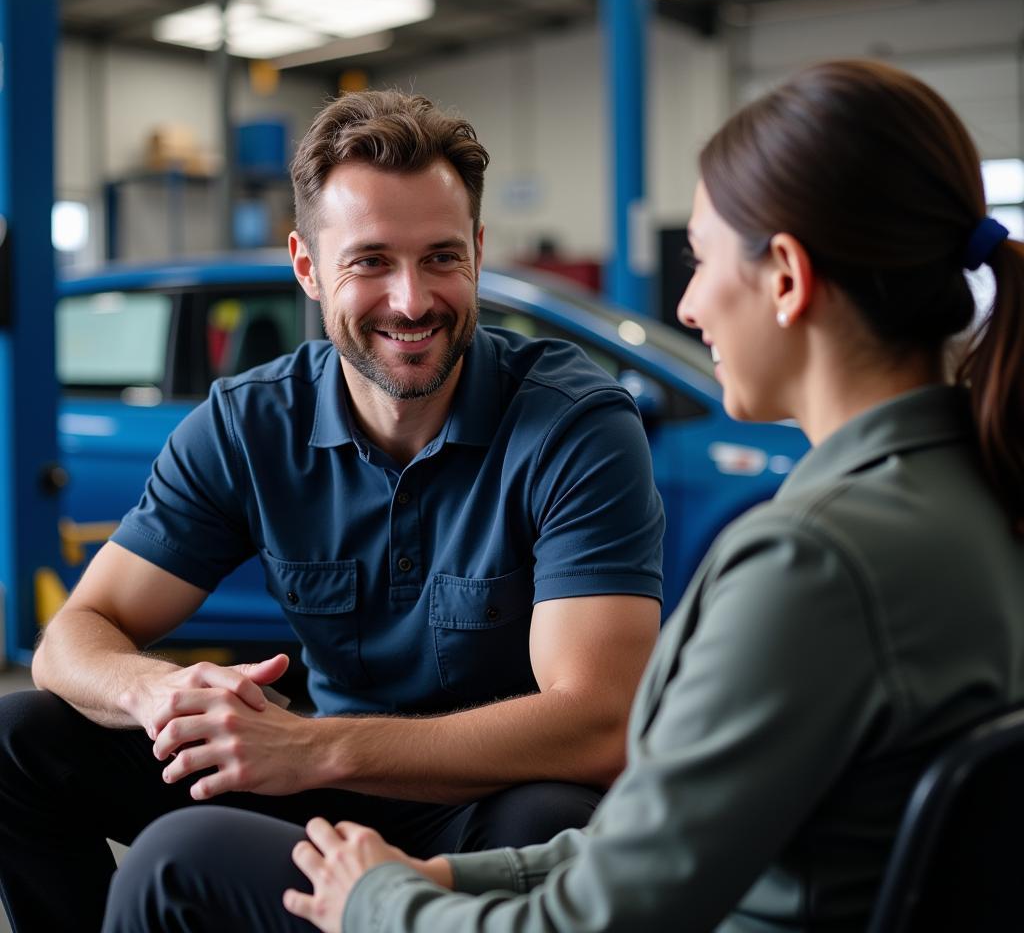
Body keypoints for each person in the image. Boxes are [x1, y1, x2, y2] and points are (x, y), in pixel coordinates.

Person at [221, 58, 1024, 932]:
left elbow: (603, 921)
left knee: (179, 869)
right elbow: (672, 834)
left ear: (786, 278)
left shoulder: (813, 561)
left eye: (702, 258)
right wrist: (448, 875)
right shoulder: (974, 491)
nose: (687, 305)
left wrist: (378, 900)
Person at [0, 91, 666, 931]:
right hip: (316, 790)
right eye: (372, 261)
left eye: (441, 259)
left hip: (492, 802)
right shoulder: (250, 423)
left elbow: (599, 723)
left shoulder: (574, 425)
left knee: (560, 818)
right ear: (307, 267)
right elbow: (76, 633)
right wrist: (162, 693)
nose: (412, 300)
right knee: (17, 736)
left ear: (480, 254)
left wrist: (311, 747)